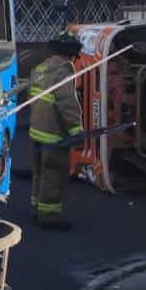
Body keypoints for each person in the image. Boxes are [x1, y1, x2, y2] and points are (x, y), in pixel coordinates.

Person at [28, 32, 85, 230]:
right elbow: (67, 103)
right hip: (54, 135)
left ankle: (37, 208)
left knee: (40, 173)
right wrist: (77, 132)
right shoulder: (64, 70)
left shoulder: (40, 68)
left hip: (37, 131)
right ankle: (49, 214)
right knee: (54, 175)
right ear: (71, 54)